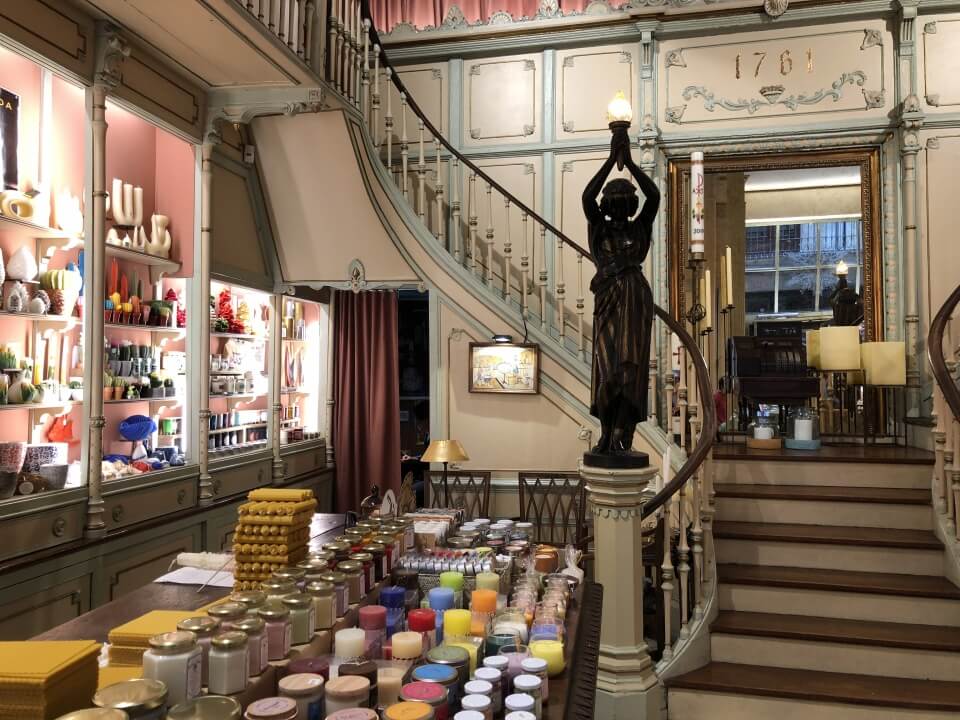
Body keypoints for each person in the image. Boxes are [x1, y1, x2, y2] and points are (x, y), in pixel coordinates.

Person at [581, 128, 660, 455]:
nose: (616, 203)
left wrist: (629, 162)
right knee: (606, 369)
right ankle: (605, 432)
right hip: (609, 297)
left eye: (622, 197)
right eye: (612, 198)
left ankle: (621, 434)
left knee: (630, 369)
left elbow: (654, 195)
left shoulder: (640, 226)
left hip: (635, 298)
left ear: (630, 203)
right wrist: (611, 160)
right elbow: (586, 197)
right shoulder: (598, 227)